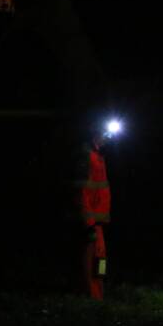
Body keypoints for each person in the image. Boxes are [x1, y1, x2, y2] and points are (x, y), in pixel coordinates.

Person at [68, 120, 117, 300]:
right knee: (89, 261)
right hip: (89, 222)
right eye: (106, 134)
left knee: (101, 261)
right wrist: (87, 222)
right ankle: (89, 296)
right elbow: (81, 191)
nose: (108, 138)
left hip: (97, 222)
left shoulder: (99, 155)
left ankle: (98, 296)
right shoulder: (86, 155)